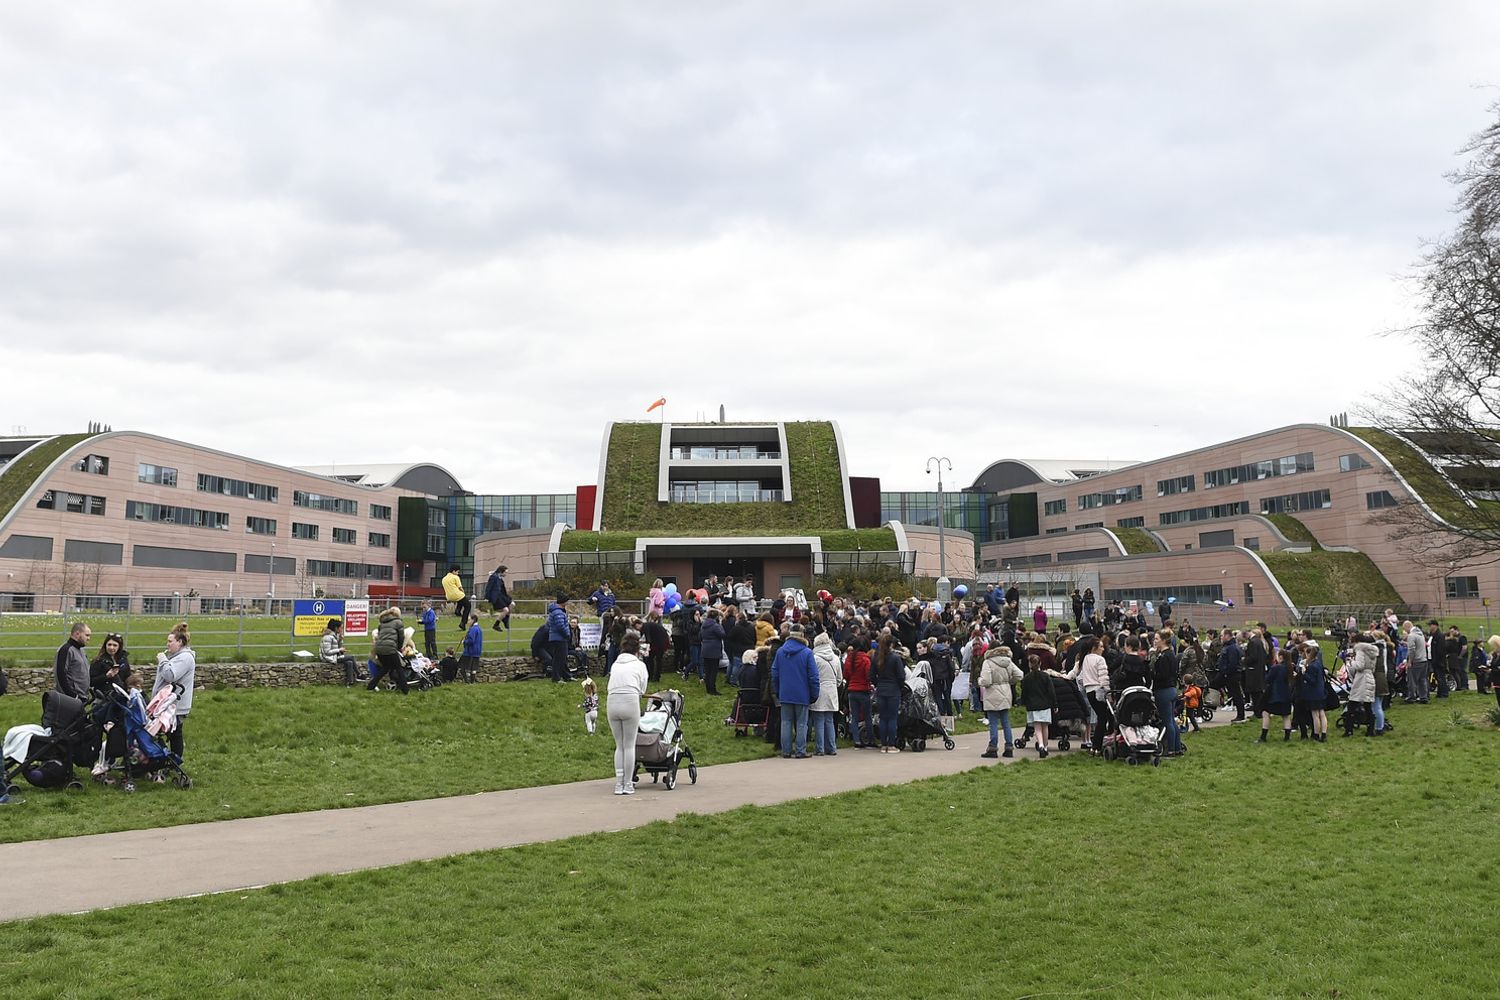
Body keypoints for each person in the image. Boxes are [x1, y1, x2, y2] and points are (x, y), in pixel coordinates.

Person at [606, 632, 650, 795]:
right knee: (629, 745)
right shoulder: (640, 665)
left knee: (620, 745)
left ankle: (619, 783)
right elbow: (642, 689)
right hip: (630, 701)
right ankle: (628, 783)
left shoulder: (615, 664)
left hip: (612, 702)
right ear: (637, 649)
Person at [771, 624, 819, 758]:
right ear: (803, 635)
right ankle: (800, 750)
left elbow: (774, 673)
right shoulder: (807, 652)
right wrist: (814, 693)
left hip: (785, 692)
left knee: (785, 722)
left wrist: (778, 690)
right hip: (802, 693)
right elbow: (813, 676)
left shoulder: (780, 652)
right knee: (802, 723)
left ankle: (786, 751)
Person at [152, 622, 196, 757]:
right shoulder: (178, 656)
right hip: (168, 704)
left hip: (175, 705)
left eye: (170, 641)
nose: (167, 644)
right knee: (167, 733)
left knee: (173, 734)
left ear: (180, 642)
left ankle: (173, 761)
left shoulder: (185, 658)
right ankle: (166, 760)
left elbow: (170, 675)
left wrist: (162, 660)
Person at [978, 645, 1024, 758]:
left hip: (992, 693)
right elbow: (1019, 675)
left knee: (993, 722)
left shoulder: (988, 662)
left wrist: (979, 681)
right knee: (1006, 722)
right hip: (1006, 692)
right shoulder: (1008, 661)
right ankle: (1009, 747)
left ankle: (993, 748)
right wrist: (1009, 682)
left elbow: (986, 681)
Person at [1019, 651, 1057, 758]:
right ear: (1040, 663)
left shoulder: (1026, 678)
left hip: (1032, 705)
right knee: (1045, 726)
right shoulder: (1045, 676)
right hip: (1045, 704)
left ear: (1029, 664)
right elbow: (1051, 691)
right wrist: (1055, 704)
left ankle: (1040, 745)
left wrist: (1023, 702)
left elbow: (1024, 693)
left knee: (1037, 727)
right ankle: (1045, 746)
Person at [1151, 631, 1183, 755]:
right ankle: (1177, 748)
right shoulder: (1171, 654)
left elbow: (1162, 675)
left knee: (1167, 721)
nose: (1155, 641)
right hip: (1172, 689)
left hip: (1163, 690)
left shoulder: (1164, 656)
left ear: (1163, 640)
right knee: (1172, 721)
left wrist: (1153, 674)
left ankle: (1170, 749)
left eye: (1157, 639)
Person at [1257, 644, 1296, 742]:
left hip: (1275, 695)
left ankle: (1263, 736)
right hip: (1287, 695)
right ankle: (1287, 737)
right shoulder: (1290, 668)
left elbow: (1268, 679)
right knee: (1286, 716)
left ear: (1281, 657)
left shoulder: (1276, 668)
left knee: (1265, 713)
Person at [843, 634, 874, 748]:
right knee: (867, 716)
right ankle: (870, 740)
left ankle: (856, 740)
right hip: (864, 690)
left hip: (852, 690)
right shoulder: (866, 659)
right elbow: (868, 675)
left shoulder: (849, 658)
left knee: (854, 716)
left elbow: (846, 675)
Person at [369, 606, 409, 694]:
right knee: (399, 668)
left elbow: (380, 636)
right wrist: (399, 648)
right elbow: (401, 637)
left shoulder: (382, 623)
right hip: (390, 649)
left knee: (386, 668)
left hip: (379, 649)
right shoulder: (398, 622)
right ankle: (405, 690)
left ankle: (371, 685)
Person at [1295, 641, 1328, 742]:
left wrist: (1304, 673)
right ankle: (1324, 734)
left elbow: (1312, 681)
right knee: (1322, 714)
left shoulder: (1312, 666)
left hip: (1313, 693)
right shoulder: (1318, 664)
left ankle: (1316, 734)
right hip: (1321, 692)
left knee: (1315, 715)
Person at [54, 621, 92, 699]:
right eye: (87, 635)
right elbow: (60, 674)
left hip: (81, 697)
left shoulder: (81, 650)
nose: (88, 638)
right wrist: (72, 696)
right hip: (70, 699)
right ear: (77, 634)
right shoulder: (66, 650)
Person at [89, 631, 132, 698]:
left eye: (115, 645)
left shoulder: (123, 660)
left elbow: (128, 676)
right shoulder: (98, 661)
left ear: (119, 647)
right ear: (105, 645)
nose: (111, 648)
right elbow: (91, 682)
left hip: (122, 695)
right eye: (109, 645)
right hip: (104, 697)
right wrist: (106, 676)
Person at [319, 618, 360, 686]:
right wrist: (339, 650)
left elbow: (338, 647)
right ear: (336, 628)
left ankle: (350, 682)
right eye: (341, 627)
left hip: (335, 656)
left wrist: (340, 640)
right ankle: (359, 674)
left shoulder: (335, 636)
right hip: (328, 657)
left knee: (349, 662)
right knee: (351, 657)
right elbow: (327, 652)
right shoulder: (327, 637)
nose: (342, 629)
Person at [546, 594, 573, 683]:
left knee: (562, 658)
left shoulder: (558, 611)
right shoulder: (558, 612)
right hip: (559, 638)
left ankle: (566, 676)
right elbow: (560, 626)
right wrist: (567, 634)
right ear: (563, 602)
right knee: (559, 658)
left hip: (558, 638)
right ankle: (556, 678)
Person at [1404, 621, 1429, 703]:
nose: (1405, 631)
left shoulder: (1411, 636)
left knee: (1412, 680)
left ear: (1407, 627)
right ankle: (1423, 697)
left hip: (1416, 661)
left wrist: (1410, 661)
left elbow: (1412, 649)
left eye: (1405, 629)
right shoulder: (1421, 634)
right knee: (1422, 680)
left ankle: (1411, 697)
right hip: (1423, 660)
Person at [485, 565, 513, 632]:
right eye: (505, 572)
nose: (506, 574)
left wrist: (508, 597)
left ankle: (505, 619)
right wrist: (487, 597)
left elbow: (503, 589)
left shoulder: (500, 578)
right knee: (506, 610)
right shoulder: (493, 577)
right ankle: (496, 625)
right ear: (501, 571)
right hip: (496, 597)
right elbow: (488, 587)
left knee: (512, 604)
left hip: (502, 596)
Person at [460, 612, 483, 683]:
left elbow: (471, 640)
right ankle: (472, 682)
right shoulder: (479, 629)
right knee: (473, 668)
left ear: (473, 620)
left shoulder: (473, 629)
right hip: (477, 651)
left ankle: (467, 681)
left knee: (462, 667)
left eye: (469, 620)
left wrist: (464, 642)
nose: (468, 622)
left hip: (470, 651)